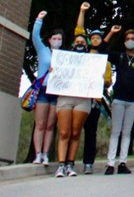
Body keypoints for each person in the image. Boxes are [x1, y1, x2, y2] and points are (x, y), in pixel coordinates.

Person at [74, 2, 116, 175]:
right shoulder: (81, 55)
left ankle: (88, 163)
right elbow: (79, 31)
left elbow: (108, 82)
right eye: (94, 38)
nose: (96, 40)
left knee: (91, 132)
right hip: (78, 96)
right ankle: (67, 161)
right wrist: (82, 11)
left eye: (99, 38)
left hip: (95, 100)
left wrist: (103, 81)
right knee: (73, 130)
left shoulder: (105, 62)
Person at [53, 31, 98, 177]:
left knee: (75, 132)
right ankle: (61, 164)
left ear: (87, 45)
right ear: (73, 44)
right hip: (65, 97)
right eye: (77, 42)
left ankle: (70, 164)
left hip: (83, 98)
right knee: (64, 132)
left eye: (83, 43)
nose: (80, 44)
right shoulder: (64, 58)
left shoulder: (92, 60)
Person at [104, 27, 134, 175]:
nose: (130, 41)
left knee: (127, 132)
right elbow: (103, 50)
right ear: (124, 42)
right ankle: (110, 163)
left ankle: (123, 162)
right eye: (128, 39)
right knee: (115, 131)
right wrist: (111, 33)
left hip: (133, 101)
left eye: (133, 39)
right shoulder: (120, 57)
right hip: (118, 99)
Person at [29, 10, 61, 165]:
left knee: (50, 125)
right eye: (54, 38)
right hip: (43, 89)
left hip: (56, 91)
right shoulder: (43, 51)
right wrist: (38, 20)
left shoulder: (64, 55)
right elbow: (34, 37)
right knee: (40, 123)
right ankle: (37, 153)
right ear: (49, 40)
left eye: (59, 39)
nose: (57, 41)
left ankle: (46, 153)